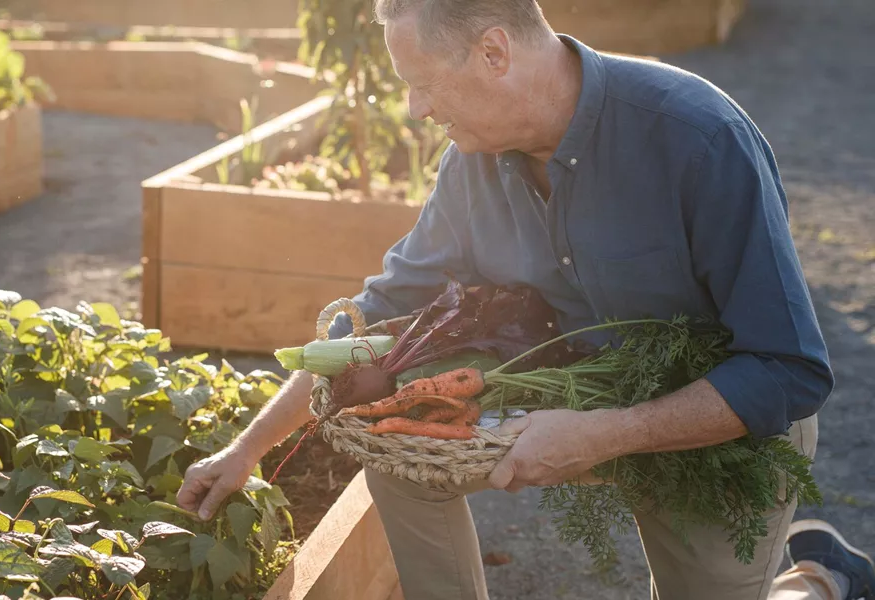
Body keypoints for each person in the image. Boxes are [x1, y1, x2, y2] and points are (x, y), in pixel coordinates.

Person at [176, 1, 875, 598]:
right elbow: (385, 306)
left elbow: (790, 368)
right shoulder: (471, 165)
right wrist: (247, 450)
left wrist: (607, 432)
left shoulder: (697, 137)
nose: (415, 109)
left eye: (421, 84)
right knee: (399, 461)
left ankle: (815, 578)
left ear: (493, 52)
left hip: (715, 428)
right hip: (571, 396)